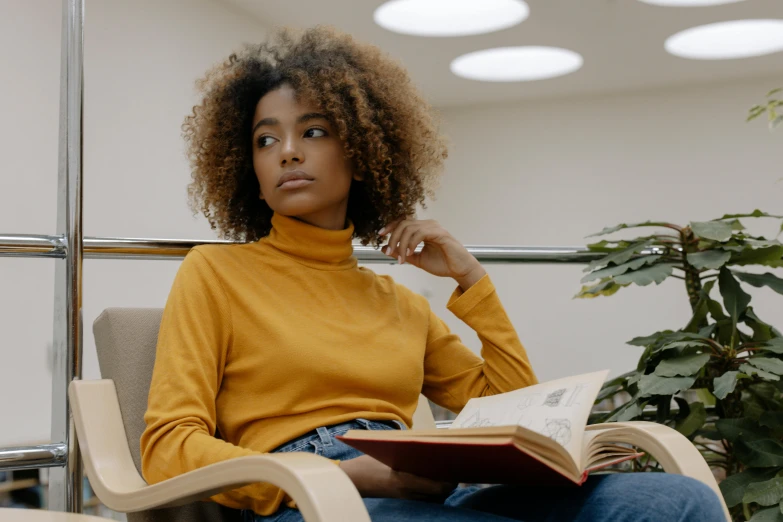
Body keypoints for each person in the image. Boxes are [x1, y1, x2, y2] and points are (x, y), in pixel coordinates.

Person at [140, 26, 724, 522]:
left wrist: (472, 283)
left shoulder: (398, 303)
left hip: (424, 480)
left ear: (365, 151)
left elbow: (512, 417)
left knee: (677, 501)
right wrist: (351, 474)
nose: (288, 151)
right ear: (250, 166)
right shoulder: (215, 273)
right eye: (266, 140)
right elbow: (168, 448)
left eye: (313, 131)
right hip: (312, 496)